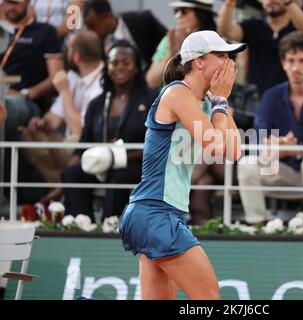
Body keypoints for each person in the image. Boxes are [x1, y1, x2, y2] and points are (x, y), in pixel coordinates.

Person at [119, 30, 245, 299]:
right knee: (209, 298)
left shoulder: (211, 102)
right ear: (199, 61)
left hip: (160, 214)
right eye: (221, 55)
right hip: (154, 212)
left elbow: (234, 152)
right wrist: (221, 101)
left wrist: (222, 101)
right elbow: (215, 146)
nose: (229, 63)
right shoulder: (177, 92)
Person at [237, 31, 303, 224]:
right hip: (280, 169)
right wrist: (276, 147)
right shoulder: (271, 96)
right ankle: (256, 224)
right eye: (291, 60)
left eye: (302, 60)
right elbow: (259, 144)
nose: (296, 67)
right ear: (283, 63)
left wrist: (292, 151)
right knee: (247, 163)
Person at [61, 40, 157, 221]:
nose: (119, 67)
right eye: (114, 63)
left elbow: (157, 143)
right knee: (71, 174)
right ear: (107, 67)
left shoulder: (151, 98)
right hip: (99, 164)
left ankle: (110, 226)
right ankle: (81, 224)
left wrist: (116, 158)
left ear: (136, 68)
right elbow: (83, 144)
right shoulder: (97, 103)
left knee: (119, 177)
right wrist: (63, 180)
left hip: (136, 164)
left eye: (126, 63)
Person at [20, 31, 103, 206]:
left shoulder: (103, 80)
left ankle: (63, 188)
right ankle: (62, 185)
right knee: (27, 136)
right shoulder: (72, 77)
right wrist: (41, 123)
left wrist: (64, 92)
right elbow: (53, 120)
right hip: (68, 145)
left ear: (76, 56)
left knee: (72, 141)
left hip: (89, 146)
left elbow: (80, 131)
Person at [218, 0, 303, 96]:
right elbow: (227, 31)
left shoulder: (296, 27)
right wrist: (229, 3)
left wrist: (288, 2)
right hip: (255, 96)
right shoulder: (253, 26)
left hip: (287, 97)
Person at [0, 0, 64, 140]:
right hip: (2, 93)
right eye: (7, 2)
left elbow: (56, 77)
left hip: (25, 100)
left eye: (16, 3)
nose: (11, 7)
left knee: (4, 107)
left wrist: (26, 93)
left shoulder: (45, 32)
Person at [145, 0, 217, 89]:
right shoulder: (171, 39)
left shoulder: (216, 42)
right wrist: (172, 52)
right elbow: (151, 81)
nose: (177, 16)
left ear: (200, 15)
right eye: (176, 11)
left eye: (183, 11)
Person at [82, 0, 166, 71]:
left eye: (93, 25)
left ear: (109, 16)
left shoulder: (143, 21)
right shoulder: (96, 43)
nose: (90, 32)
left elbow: (169, 43)